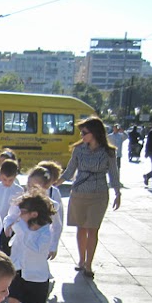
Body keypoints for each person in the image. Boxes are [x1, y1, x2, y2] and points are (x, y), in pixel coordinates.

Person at [61, 117, 121, 279]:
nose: (82, 135)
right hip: (80, 192)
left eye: (84, 132)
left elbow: (114, 174)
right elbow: (69, 171)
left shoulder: (109, 151)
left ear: (94, 133)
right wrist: (54, 182)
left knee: (93, 228)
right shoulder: (79, 149)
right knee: (81, 228)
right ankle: (81, 260)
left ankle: (89, 264)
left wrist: (117, 193)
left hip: (99, 194)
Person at [5, 190, 57, 303]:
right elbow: (10, 235)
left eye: (23, 212)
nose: (19, 214)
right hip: (18, 269)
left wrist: (24, 231)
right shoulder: (21, 225)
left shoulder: (45, 231)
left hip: (36, 274)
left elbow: (37, 250)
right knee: (13, 299)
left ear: (34, 214)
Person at [0, 159, 23, 256]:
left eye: (10, 180)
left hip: (9, 225)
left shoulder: (18, 190)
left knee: (7, 249)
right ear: (0, 176)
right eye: (4, 179)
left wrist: (12, 224)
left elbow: (19, 210)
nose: (7, 182)